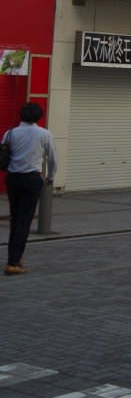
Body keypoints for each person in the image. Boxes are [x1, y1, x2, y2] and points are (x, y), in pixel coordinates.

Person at [4, 102, 57, 276]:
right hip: (31, 179)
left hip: (12, 178)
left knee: (15, 218)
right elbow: (52, 158)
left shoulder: (10, 133)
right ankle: (13, 263)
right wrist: (50, 177)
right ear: (38, 116)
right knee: (24, 220)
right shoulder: (44, 134)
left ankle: (15, 257)